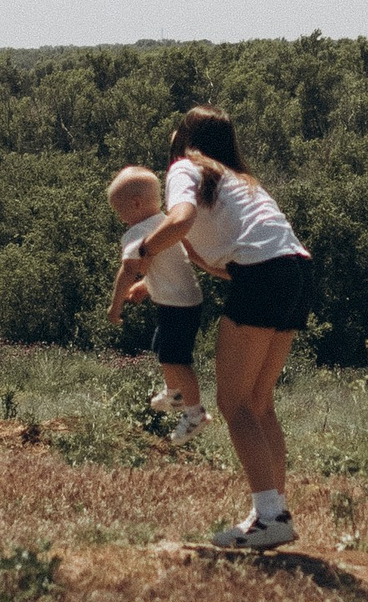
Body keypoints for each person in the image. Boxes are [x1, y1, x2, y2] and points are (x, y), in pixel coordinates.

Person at [121, 105, 314, 549]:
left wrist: (143, 251)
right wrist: (156, 280)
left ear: (186, 138)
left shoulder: (185, 166)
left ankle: (270, 517)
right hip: (298, 271)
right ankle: (273, 512)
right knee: (259, 402)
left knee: (235, 403)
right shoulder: (239, 180)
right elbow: (219, 261)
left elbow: (181, 219)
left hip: (264, 274)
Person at [105, 165, 209, 441]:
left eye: (120, 212)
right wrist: (146, 286)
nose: (121, 219)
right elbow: (168, 269)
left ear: (136, 204)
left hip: (177, 305)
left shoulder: (136, 232)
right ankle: (173, 394)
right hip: (183, 300)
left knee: (177, 358)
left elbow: (127, 270)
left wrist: (115, 307)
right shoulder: (164, 224)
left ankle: (195, 413)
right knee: (162, 349)